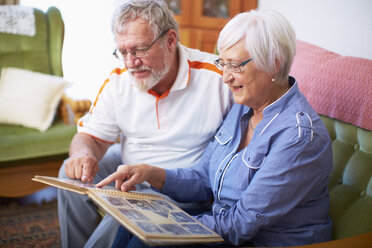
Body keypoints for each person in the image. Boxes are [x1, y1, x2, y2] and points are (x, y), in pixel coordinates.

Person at [98, 9, 333, 247]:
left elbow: (241, 223)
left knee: (144, 238)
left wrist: (169, 223)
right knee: (129, 225)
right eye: (223, 64)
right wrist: (150, 173)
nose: (225, 77)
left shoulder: (298, 136)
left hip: (261, 241)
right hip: (226, 230)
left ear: (274, 64)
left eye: (235, 66)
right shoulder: (244, 107)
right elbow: (203, 178)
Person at [57, 1, 233, 247]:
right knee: (70, 173)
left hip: (180, 181)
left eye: (139, 50)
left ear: (170, 40)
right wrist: (84, 153)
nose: (130, 62)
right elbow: (92, 137)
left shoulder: (217, 79)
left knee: (127, 207)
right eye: (123, 51)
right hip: (129, 166)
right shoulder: (119, 80)